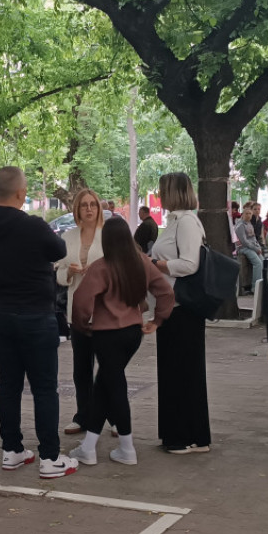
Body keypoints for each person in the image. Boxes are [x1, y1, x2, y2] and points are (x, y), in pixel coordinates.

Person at [0, 166, 78, 479]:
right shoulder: (32, 225)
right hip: (35, 314)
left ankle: (12, 450)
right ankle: (49, 457)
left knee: (9, 384)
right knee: (45, 387)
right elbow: (59, 249)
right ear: (20, 193)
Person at [68, 217, 173, 466]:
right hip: (133, 334)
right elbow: (166, 292)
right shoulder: (143, 263)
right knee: (104, 385)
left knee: (113, 388)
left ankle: (126, 448)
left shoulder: (101, 268)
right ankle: (89, 446)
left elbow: (82, 301)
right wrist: (157, 321)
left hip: (106, 335)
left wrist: (83, 327)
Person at [150, 172, 212, 455]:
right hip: (172, 306)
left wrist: (157, 265)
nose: (160, 196)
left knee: (182, 373)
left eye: (163, 191)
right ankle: (184, 433)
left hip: (183, 308)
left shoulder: (186, 222)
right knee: (177, 372)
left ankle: (185, 435)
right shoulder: (175, 221)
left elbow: (190, 264)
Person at [56, 189, 106, 437]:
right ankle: (82, 415)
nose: (88, 209)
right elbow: (58, 272)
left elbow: (118, 270)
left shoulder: (107, 236)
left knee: (108, 368)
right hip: (78, 310)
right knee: (81, 368)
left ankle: (114, 415)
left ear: (98, 208)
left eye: (93, 205)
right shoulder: (68, 237)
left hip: (105, 310)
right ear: (77, 210)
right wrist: (69, 273)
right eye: (84, 205)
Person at [235, 205, 264, 295]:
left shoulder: (249, 224)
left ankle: (261, 284)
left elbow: (253, 238)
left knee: (263, 262)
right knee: (258, 263)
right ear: (242, 214)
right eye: (246, 213)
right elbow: (244, 241)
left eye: (250, 214)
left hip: (252, 247)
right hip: (244, 248)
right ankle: (255, 287)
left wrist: (258, 247)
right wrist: (255, 248)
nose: (248, 215)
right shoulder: (240, 226)